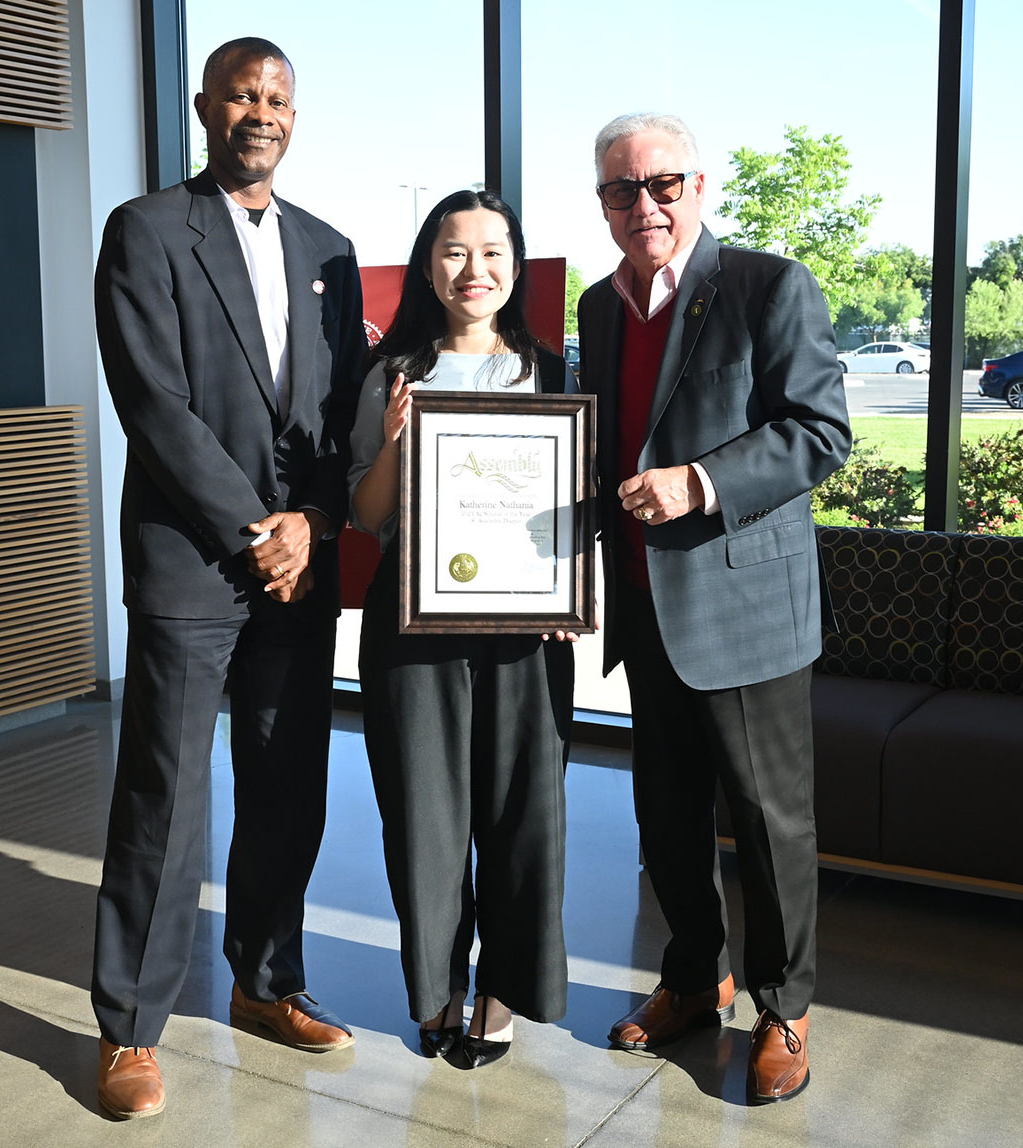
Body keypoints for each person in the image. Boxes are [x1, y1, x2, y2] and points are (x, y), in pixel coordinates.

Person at [91, 37, 365, 1118]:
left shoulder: (330, 249)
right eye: (244, 94)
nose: (262, 111)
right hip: (193, 561)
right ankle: (128, 1028)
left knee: (288, 779)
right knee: (166, 797)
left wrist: (318, 520)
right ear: (207, 107)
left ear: (295, 114)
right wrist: (260, 528)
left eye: (279, 97)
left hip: (300, 567)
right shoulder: (148, 228)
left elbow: (338, 415)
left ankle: (266, 981)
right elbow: (153, 404)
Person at [577, 114, 851, 1104]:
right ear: (600, 201)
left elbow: (820, 431)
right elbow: (604, 447)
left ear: (699, 186)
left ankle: (784, 1003)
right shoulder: (598, 307)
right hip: (646, 604)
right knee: (665, 812)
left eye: (661, 183)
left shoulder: (766, 286)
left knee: (768, 817)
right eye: (619, 189)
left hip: (745, 608)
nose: (641, 203)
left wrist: (699, 481)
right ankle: (695, 977)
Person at [349, 190, 577, 1068]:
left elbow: (577, 509)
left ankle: (505, 989)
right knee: (424, 815)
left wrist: (569, 590)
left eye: (492, 251)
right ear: (426, 265)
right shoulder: (393, 374)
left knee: (524, 814)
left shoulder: (553, 372)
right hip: (414, 630)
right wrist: (401, 442)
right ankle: (437, 987)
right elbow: (368, 518)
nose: (473, 270)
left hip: (526, 632)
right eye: (453, 252)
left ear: (515, 265)